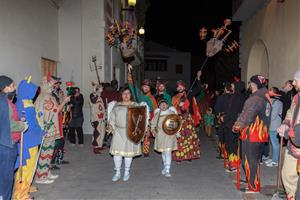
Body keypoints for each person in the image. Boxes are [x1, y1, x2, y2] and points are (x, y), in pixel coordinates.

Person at [232, 75, 271, 193]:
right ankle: (252, 180)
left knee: (249, 160)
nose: (249, 85)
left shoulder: (255, 98)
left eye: (250, 83)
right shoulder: (266, 96)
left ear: (254, 84)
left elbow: (247, 116)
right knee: (254, 160)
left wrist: (236, 126)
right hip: (260, 134)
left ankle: (253, 186)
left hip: (252, 134)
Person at [107, 86, 148, 182]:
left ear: (131, 95)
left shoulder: (136, 105)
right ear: (121, 95)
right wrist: (110, 127)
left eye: (128, 93)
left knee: (128, 154)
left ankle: (126, 172)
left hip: (131, 132)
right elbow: (112, 118)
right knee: (117, 154)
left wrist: (141, 130)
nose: (126, 95)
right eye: (124, 93)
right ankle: (117, 172)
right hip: (118, 132)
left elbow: (141, 119)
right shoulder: (117, 106)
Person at [13, 78, 44, 200]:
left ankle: (27, 185)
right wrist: (41, 131)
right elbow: (31, 123)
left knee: (30, 166)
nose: (35, 93)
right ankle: (20, 194)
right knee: (26, 166)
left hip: (32, 138)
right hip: (28, 139)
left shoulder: (24, 101)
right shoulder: (25, 105)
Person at [34, 77, 70, 184]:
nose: (54, 87)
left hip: (50, 129)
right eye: (53, 85)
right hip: (48, 130)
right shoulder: (46, 97)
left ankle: (46, 172)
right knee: (45, 152)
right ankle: (41, 176)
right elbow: (54, 111)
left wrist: (62, 103)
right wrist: (64, 102)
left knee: (49, 152)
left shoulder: (46, 96)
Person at [0, 75, 27, 200]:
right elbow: (9, 124)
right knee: (6, 177)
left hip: (3, 143)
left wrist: (17, 120)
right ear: (5, 88)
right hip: (7, 144)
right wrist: (22, 125)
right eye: (12, 85)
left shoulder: (3, 100)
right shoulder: (5, 103)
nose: (14, 88)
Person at [278, 70, 300, 200]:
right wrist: (285, 124)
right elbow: (290, 113)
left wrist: (288, 132)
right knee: (286, 174)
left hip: (297, 139)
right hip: (293, 144)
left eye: (296, 80)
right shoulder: (296, 97)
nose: (293, 82)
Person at [171, 71, 202, 162]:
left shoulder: (189, 94)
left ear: (184, 87)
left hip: (188, 118)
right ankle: (179, 156)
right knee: (179, 138)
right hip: (179, 118)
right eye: (178, 86)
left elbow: (199, 88)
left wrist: (198, 78)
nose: (180, 87)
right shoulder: (174, 97)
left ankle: (189, 155)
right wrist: (178, 105)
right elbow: (172, 109)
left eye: (181, 86)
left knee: (189, 137)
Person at [151, 99, 178, 177]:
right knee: (163, 152)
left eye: (165, 104)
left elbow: (177, 123)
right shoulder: (157, 114)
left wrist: (176, 131)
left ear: (167, 105)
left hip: (169, 135)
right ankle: (165, 166)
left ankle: (167, 169)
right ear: (159, 106)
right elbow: (153, 124)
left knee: (168, 151)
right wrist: (153, 130)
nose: (163, 106)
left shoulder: (171, 113)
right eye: (161, 104)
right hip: (160, 135)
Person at [224, 81, 246, 171]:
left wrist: (226, 118)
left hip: (233, 124)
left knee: (232, 145)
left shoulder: (238, 97)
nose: (231, 86)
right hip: (231, 123)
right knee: (230, 144)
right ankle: (232, 162)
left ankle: (234, 165)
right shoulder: (235, 96)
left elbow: (235, 111)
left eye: (233, 85)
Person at [264, 87, 282, 167]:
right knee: (272, 143)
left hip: (275, 126)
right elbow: (267, 113)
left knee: (275, 144)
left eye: (270, 90)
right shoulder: (270, 101)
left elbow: (273, 115)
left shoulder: (278, 102)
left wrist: (265, 121)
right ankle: (272, 158)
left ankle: (275, 161)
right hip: (270, 126)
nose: (269, 91)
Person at [90, 82, 106, 154]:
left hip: (102, 118)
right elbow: (93, 101)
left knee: (102, 132)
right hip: (96, 117)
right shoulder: (93, 95)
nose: (102, 88)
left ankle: (100, 145)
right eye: (101, 88)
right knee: (97, 132)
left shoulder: (100, 96)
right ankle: (95, 147)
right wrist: (95, 89)